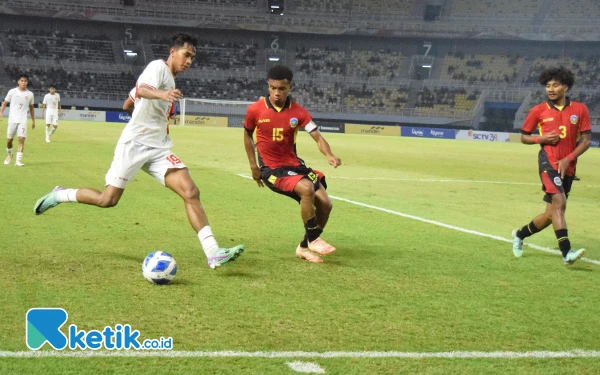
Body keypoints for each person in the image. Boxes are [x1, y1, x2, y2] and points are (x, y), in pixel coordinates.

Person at [33, 33, 244, 269]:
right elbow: (142, 89)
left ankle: (213, 252)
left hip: (159, 147)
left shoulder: (171, 81)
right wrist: (161, 95)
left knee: (191, 191)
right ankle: (60, 194)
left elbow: (128, 103)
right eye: (186, 55)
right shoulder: (158, 67)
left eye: (193, 58)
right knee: (107, 200)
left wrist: (158, 107)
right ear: (173, 52)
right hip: (134, 145)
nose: (189, 61)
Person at [243, 65, 342, 263]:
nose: (277, 93)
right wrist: (254, 166)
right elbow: (247, 134)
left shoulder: (299, 112)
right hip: (271, 169)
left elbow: (317, 137)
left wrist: (329, 154)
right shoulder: (255, 109)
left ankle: (304, 247)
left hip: (294, 165)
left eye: (282, 89)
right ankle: (314, 238)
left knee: (326, 204)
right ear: (268, 86)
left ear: (290, 88)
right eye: (272, 88)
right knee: (306, 189)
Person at [512, 67, 591, 265]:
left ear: (566, 86)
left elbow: (586, 140)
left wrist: (569, 158)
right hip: (548, 162)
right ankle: (567, 253)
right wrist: (542, 138)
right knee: (560, 203)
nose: (551, 89)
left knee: (550, 215)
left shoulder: (580, 109)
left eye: (555, 85)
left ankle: (519, 235)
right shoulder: (538, 110)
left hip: (568, 167)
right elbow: (523, 136)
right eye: (548, 85)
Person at [0, 74, 35, 166]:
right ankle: (9, 155)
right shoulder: (12, 92)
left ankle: (18, 161)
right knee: (9, 141)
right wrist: (0, 113)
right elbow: (5, 103)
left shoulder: (30, 94)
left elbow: (31, 108)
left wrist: (33, 120)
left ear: (27, 83)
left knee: (21, 139)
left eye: (25, 81)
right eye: (22, 81)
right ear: (18, 82)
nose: (24, 82)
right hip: (12, 120)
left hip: (22, 120)